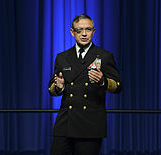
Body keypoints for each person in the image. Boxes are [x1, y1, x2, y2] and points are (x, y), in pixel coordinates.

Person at [48, 14, 122, 155]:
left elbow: (118, 86)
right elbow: (52, 88)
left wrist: (103, 81)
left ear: (93, 32)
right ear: (72, 32)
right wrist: (59, 87)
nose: (83, 33)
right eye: (79, 30)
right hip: (65, 124)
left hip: (90, 126)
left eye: (88, 29)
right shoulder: (62, 57)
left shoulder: (104, 56)